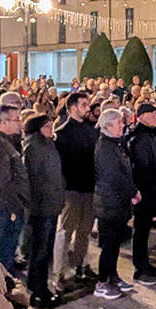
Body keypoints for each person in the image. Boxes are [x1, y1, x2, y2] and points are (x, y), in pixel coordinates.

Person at [52, 91, 98, 285]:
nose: (88, 108)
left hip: (90, 188)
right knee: (65, 231)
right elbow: (59, 166)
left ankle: (80, 265)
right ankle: (59, 272)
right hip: (72, 189)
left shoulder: (91, 130)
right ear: (73, 108)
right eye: (84, 105)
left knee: (84, 230)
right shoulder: (62, 134)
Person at [93, 108, 139, 299]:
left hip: (118, 202)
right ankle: (102, 281)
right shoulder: (105, 147)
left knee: (115, 243)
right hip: (109, 203)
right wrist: (132, 192)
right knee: (109, 244)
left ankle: (113, 276)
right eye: (119, 122)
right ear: (109, 125)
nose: (123, 124)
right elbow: (113, 177)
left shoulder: (116, 144)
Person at [21, 113, 65, 307]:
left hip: (52, 203)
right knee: (40, 249)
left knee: (45, 248)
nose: (51, 128)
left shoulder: (49, 144)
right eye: (47, 126)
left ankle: (37, 284)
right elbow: (33, 178)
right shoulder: (32, 147)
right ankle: (39, 290)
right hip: (41, 206)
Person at [0, 104, 29, 272]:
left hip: (9, 204)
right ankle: (2, 284)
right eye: (16, 119)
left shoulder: (4, 142)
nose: (20, 123)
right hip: (6, 206)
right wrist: (17, 204)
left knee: (8, 245)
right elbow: (2, 183)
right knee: (5, 248)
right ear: (4, 122)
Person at [128, 102, 156, 287]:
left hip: (152, 187)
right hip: (144, 189)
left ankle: (145, 263)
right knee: (141, 228)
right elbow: (142, 166)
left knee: (145, 229)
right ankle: (140, 268)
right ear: (142, 116)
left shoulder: (151, 134)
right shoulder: (139, 138)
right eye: (152, 114)